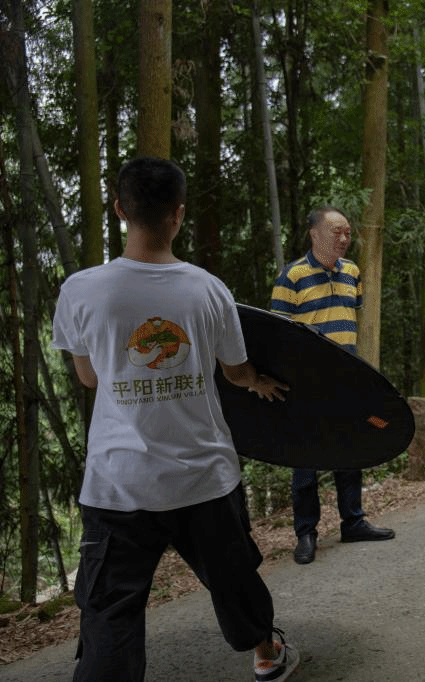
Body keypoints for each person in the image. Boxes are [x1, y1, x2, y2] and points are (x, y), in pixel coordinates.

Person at [51, 157, 299, 681]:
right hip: (203, 474)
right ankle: (266, 654)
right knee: (233, 578)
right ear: (178, 214)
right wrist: (257, 381)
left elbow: (90, 378)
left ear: (120, 210)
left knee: (110, 611)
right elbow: (235, 372)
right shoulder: (208, 289)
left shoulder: (80, 289)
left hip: (118, 482)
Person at [271, 206, 395, 565]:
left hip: (346, 378)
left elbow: (351, 315)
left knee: (350, 450)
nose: (343, 238)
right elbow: (276, 333)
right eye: (336, 231)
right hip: (305, 382)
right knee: (305, 459)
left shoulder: (352, 272)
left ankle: (353, 522)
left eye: (347, 232)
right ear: (314, 234)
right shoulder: (292, 276)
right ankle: (306, 533)